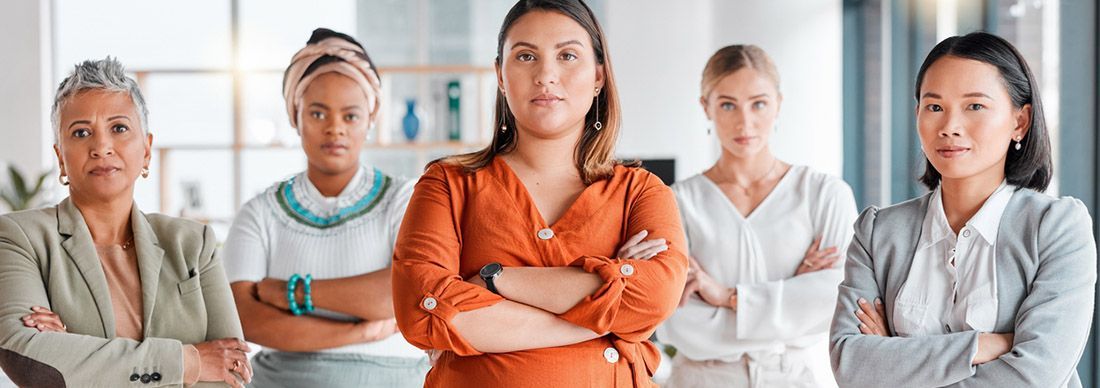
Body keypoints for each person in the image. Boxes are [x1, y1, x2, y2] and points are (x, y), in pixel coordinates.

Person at [390, 1, 687, 386]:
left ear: (598, 76)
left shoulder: (641, 192)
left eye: (567, 55)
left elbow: (655, 296)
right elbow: (421, 309)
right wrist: (600, 320)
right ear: (500, 74)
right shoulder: (448, 184)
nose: (546, 75)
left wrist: (495, 280)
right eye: (526, 56)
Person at [830, 32, 1096, 388]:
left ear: (1020, 121)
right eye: (935, 107)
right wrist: (985, 345)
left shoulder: (1056, 227)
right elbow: (851, 364)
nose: (949, 127)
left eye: (975, 106)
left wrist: (896, 357)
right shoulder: (877, 231)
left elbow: (1036, 376)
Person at [0, 57, 251, 387]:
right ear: (61, 157)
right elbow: (31, 362)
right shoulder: (20, 237)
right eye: (81, 132)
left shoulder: (193, 243)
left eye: (119, 128)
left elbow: (232, 370)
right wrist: (189, 361)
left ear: (146, 150)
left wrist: (79, 353)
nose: (101, 147)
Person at [223, 28, 427, 388]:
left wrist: (291, 293)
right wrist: (361, 332)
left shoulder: (406, 198)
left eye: (350, 116)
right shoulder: (259, 213)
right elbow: (244, 318)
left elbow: (406, 294)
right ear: (295, 116)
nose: (335, 129)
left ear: (370, 118)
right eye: (318, 114)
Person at [657, 44, 857, 388]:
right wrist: (791, 292)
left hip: (791, 379)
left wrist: (725, 296)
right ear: (706, 107)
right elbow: (676, 323)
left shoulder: (824, 194)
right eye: (727, 104)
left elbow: (834, 300)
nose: (745, 122)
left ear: (778, 103)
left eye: (758, 103)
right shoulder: (676, 202)